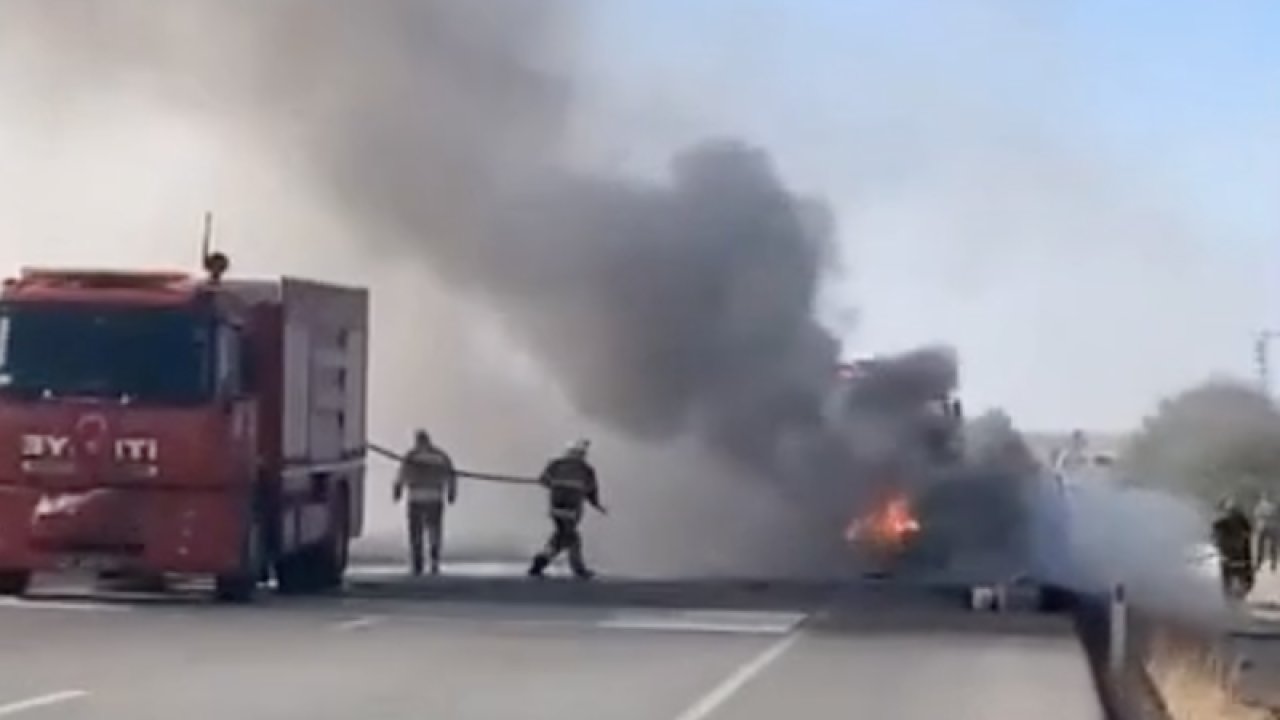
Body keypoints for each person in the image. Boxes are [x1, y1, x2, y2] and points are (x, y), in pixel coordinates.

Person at [527, 439, 606, 580]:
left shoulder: (555, 464)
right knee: (572, 538)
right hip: (572, 510)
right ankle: (578, 569)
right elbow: (591, 491)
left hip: (556, 508)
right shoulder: (586, 470)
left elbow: (544, 481)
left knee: (561, 537)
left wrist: (555, 483)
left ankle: (540, 562)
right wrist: (597, 505)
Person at [392, 429, 457, 576]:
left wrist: (397, 491)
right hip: (435, 498)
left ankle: (417, 563)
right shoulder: (440, 456)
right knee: (434, 531)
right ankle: (434, 560)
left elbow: (401, 475)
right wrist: (451, 493)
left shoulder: (411, 456)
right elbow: (451, 476)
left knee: (416, 533)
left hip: (416, 499)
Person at [1212, 498, 1255, 598]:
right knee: (1233, 570)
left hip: (1233, 552)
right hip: (1235, 551)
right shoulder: (1235, 518)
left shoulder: (1222, 519)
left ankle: (1231, 593)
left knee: (1229, 572)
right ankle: (1233, 592)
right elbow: (1248, 531)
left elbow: (1215, 531)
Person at [1255, 493, 1278, 573]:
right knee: (1270, 546)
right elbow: (1257, 515)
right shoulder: (1272, 506)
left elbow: (1257, 515)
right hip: (1269, 527)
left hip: (1266, 527)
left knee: (1263, 546)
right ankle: (1272, 564)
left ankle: (1262, 564)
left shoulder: (1261, 506)